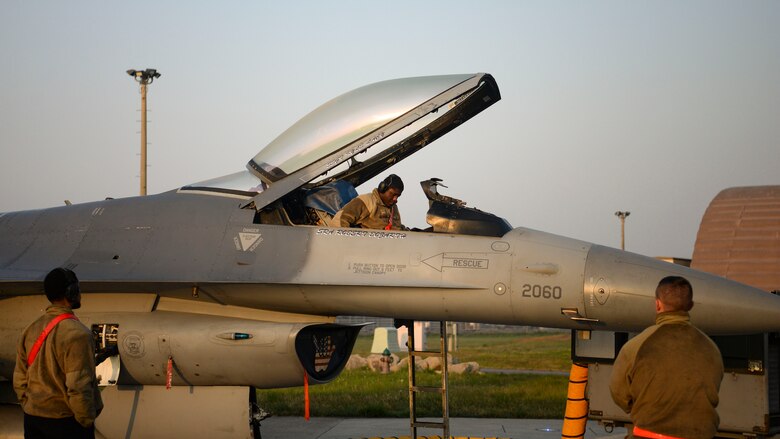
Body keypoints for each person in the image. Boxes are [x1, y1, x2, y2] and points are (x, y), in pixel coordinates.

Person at [610, 276, 724, 439]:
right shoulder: (711, 348)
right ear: (690, 305)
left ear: (657, 304)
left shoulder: (636, 346)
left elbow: (618, 393)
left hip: (648, 435)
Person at [13, 267, 103, 439]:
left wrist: (29, 406)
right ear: (71, 292)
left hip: (33, 420)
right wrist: (85, 420)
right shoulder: (78, 334)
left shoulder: (30, 329)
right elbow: (78, 386)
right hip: (66, 423)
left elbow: (19, 377)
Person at [332, 174, 407, 230]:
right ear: (382, 188)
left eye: (398, 196)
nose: (395, 199)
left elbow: (397, 228)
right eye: (392, 194)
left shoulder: (393, 208)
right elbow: (339, 220)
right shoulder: (366, 201)